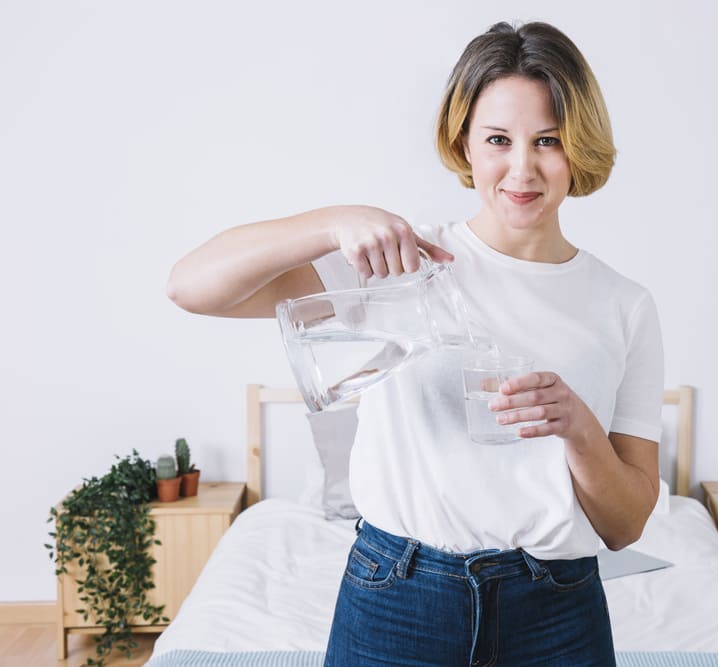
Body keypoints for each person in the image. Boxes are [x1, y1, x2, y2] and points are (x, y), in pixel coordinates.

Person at [167, 20, 664, 667]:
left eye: (548, 140)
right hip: (396, 594)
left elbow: (626, 526)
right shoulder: (399, 264)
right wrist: (332, 222)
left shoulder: (625, 305)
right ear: (465, 142)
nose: (522, 167)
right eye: (498, 139)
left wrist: (580, 430)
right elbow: (190, 286)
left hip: (557, 609)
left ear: (579, 145)